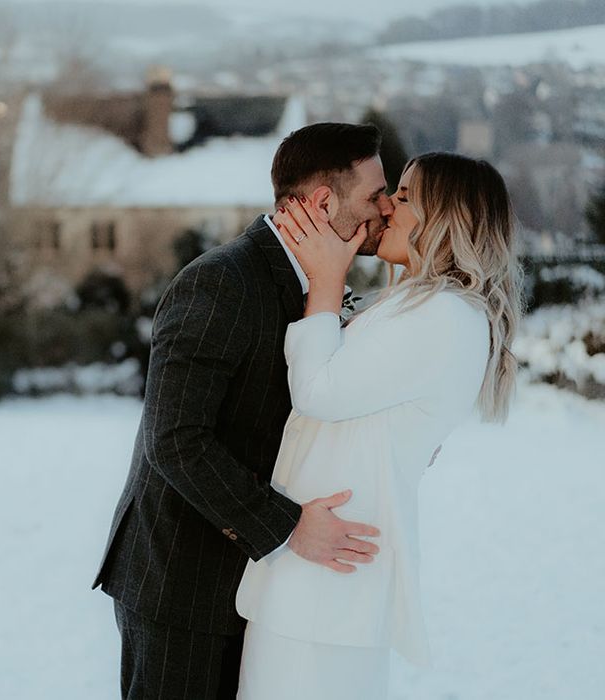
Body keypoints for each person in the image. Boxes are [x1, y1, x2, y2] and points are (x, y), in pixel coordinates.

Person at [92, 123, 395, 699]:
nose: (387, 206)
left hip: (261, 594)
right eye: (374, 195)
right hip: (184, 588)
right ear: (324, 202)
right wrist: (289, 527)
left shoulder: (324, 289)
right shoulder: (221, 282)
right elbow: (176, 440)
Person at [235, 152, 523, 699]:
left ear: (447, 219)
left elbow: (318, 392)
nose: (388, 204)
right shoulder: (421, 306)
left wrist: (325, 278)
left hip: (331, 584)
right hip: (316, 575)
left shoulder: (443, 315)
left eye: (407, 196)